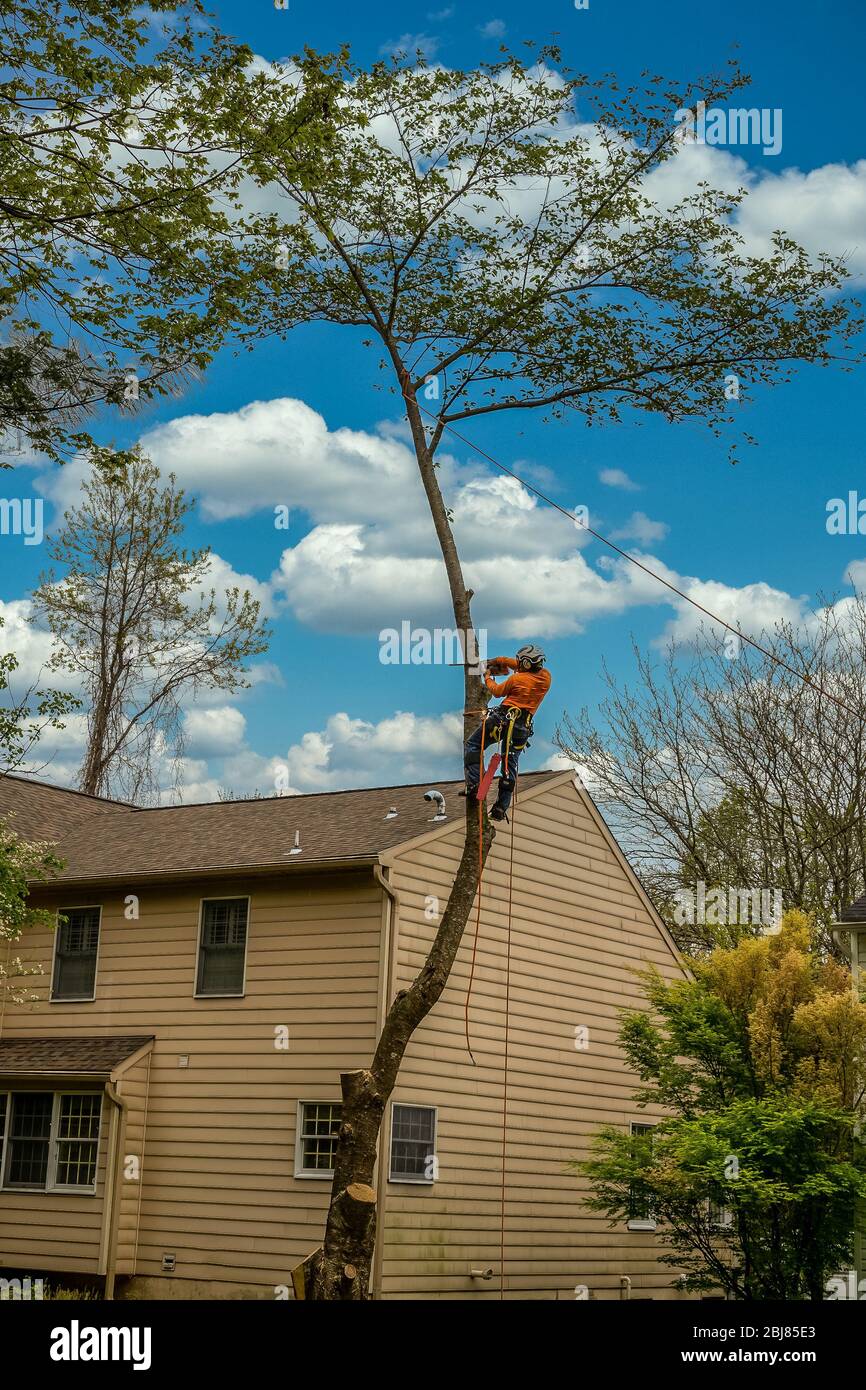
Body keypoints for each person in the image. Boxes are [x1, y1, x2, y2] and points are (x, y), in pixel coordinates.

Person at [463, 645, 551, 821]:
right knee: (509, 765)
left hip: (501, 720)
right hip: (522, 728)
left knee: (473, 745)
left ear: (525, 664)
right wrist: (499, 660)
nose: (516, 663)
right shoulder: (546, 677)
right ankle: (500, 808)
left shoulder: (516, 680)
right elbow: (517, 665)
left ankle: (474, 785)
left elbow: (496, 692)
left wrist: (488, 676)